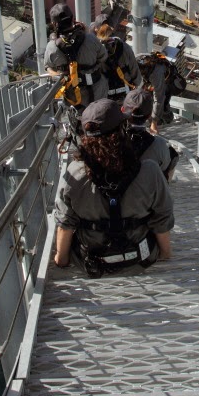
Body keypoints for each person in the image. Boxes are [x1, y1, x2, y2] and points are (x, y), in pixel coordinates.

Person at [54, 99, 173, 273]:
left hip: (91, 262)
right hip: (140, 259)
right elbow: (162, 218)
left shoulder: (74, 174)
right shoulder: (150, 171)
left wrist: (61, 259)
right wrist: (165, 253)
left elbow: (66, 222)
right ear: (122, 129)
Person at [44, 3, 108, 108]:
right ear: (73, 19)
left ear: (54, 24)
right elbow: (103, 56)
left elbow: (48, 67)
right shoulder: (90, 39)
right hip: (97, 92)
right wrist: (87, 32)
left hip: (73, 98)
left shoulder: (52, 47)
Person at [122, 88, 179, 180]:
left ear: (122, 109)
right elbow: (166, 165)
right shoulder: (159, 144)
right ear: (149, 115)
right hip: (147, 189)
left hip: (120, 190)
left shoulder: (111, 140)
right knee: (173, 155)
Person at [94, 23, 143, 100]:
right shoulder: (125, 48)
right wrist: (137, 83)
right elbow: (134, 69)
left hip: (105, 94)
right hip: (125, 91)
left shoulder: (96, 51)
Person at [136, 52, 176, 133]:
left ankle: (167, 120)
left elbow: (159, 99)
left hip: (167, 82)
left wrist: (154, 123)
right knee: (147, 99)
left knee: (163, 105)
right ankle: (156, 119)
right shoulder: (135, 60)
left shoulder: (156, 74)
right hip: (154, 79)